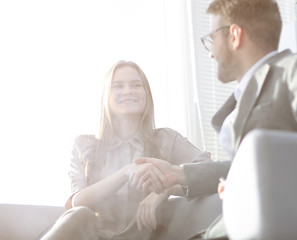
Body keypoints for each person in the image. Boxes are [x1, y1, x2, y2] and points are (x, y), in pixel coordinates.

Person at [130, 0, 297, 239]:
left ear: (235, 35)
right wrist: (179, 174)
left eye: (212, 39)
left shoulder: (290, 71)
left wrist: (253, 188)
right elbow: (259, 163)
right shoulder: (242, 100)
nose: (210, 52)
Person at [40, 60, 213, 240]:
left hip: (145, 235)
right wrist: (127, 171)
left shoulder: (167, 139)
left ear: (147, 95)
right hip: (93, 236)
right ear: (107, 97)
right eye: (118, 86)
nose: (127, 91)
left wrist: (165, 189)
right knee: (80, 214)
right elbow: (78, 203)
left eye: (136, 85)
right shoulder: (84, 145)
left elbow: (208, 173)